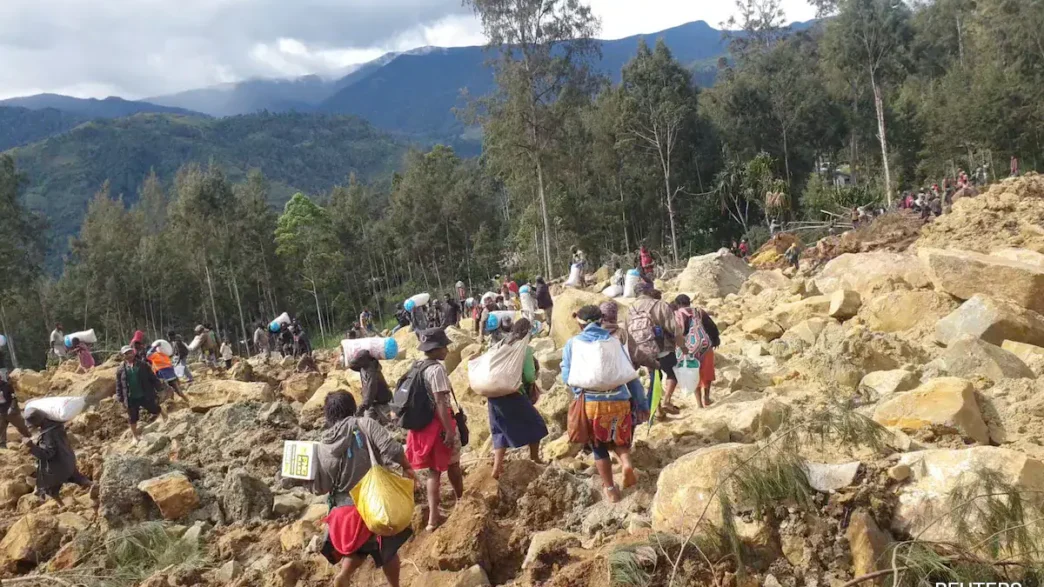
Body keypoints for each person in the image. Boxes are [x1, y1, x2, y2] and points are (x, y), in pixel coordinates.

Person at [312, 391, 415, 587]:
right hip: (375, 502)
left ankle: (344, 573)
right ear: (352, 407)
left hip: (345, 511)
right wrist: (408, 467)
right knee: (388, 550)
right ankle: (395, 586)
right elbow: (391, 449)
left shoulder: (323, 444)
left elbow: (322, 486)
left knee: (359, 550)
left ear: (329, 415)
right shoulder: (365, 424)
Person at [563, 306, 648, 503]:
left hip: (593, 404)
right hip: (620, 400)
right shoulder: (614, 341)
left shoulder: (573, 344)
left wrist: (579, 392)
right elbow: (630, 376)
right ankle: (626, 463)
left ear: (580, 323)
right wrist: (641, 404)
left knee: (599, 447)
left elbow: (567, 376)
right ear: (602, 320)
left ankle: (610, 489)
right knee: (619, 440)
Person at [404, 329, 465, 531]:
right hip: (439, 426)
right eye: (444, 347)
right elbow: (440, 401)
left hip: (424, 429)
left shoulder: (418, 366)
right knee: (454, 466)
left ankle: (432, 519)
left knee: (434, 471)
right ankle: (461, 501)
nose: (447, 350)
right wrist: (449, 430)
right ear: (436, 349)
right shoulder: (436, 370)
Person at [487, 318, 548, 479]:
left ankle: (497, 468)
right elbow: (528, 376)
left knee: (499, 430)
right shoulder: (524, 350)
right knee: (536, 424)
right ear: (528, 333)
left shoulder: (499, 345)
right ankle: (534, 457)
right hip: (513, 395)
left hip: (493, 395)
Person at [627, 282, 684, 420]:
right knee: (672, 373)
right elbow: (674, 328)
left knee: (655, 378)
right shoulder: (659, 305)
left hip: (644, 351)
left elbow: (627, 332)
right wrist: (683, 346)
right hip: (662, 348)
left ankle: (657, 410)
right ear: (649, 291)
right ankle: (667, 401)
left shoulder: (630, 309)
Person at [23, 409, 91, 506]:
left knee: (50, 486)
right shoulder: (56, 425)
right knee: (78, 478)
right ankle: (97, 487)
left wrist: (32, 446)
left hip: (58, 466)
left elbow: (47, 454)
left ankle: (60, 505)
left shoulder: (48, 435)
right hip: (68, 459)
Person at [674, 295, 720, 409]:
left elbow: (678, 332)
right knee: (707, 372)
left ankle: (699, 403)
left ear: (678, 304)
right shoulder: (699, 311)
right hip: (705, 346)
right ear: (689, 302)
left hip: (688, 349)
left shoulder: (677, 314)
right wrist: (715, 341)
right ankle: (707, 398)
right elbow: (712, 327)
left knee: (694, 373)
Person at [115, 345, 167, 441]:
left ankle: (163, 414)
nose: (129, 355)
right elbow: (119, 385)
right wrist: (120, 399)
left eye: (130, 352)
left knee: (153, 408)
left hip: (144, 393)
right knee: (132, 417)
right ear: (123, 356)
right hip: (130, 397)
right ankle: (135, 437)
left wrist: (159, 388)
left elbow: (152, 377)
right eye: (126, 354)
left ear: (133, 353)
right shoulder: (120, 369)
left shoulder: (142, 365)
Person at [348, 351, 393, 421]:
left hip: (381, 401)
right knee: (368, 423)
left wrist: (362, 407)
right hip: (371, 402)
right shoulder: (363, 368)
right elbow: (352, 365)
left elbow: (371, 390)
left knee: (392, 422)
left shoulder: (371, 371)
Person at [0, 377, 31, 449]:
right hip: (1, 410)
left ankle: (30, 438)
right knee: (1, 428)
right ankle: (2, 445)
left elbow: (14, 398)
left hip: (10, 410)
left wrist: (12, 408)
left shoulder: (7, 386)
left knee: (21, 426)